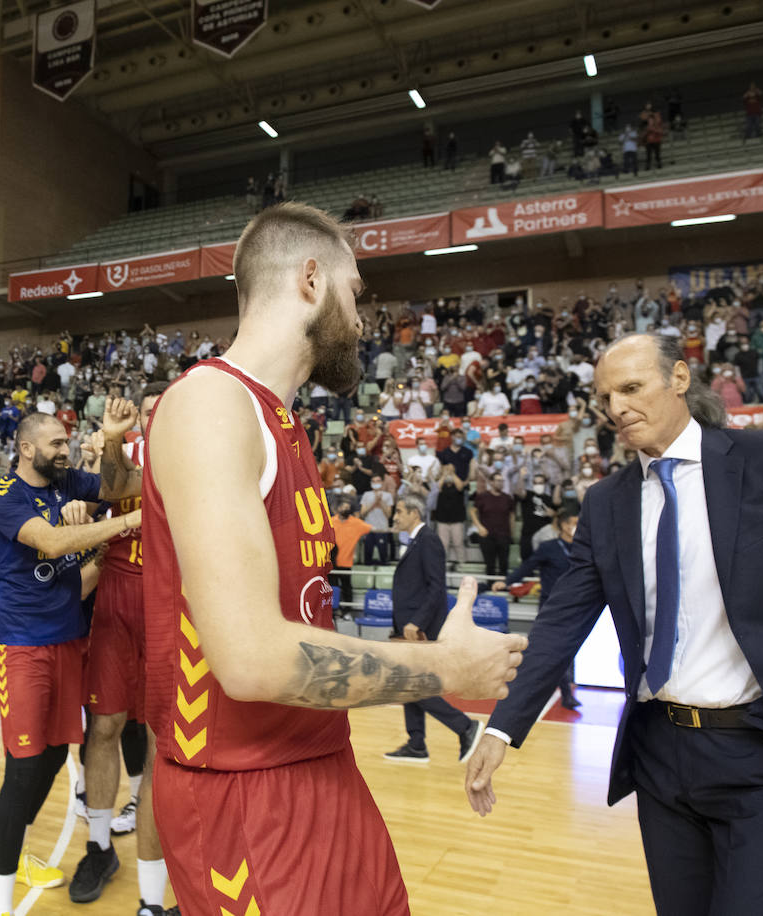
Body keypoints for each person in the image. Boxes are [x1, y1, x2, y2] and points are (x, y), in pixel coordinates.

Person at [143, 202, 526, 915]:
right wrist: (445, 669)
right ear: (312, 281)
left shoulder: (282, 423)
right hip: (242, 790)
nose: (361, 317)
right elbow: (252, 660)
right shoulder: (209, 405)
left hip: (320, 761)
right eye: (356, 292)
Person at [466, 332, 763, 916]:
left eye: (631, 388)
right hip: (662, 756)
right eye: (605, 396)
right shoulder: (605, 502)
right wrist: (500, 728)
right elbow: (562, 622)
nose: (615, 407)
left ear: (679, 379)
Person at [0, 403, 144, 916]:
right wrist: (130, 523)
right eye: (55, 443)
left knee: (54, 756)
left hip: (69, 641)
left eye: (67, 441)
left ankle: (7, 827)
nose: (65, 449)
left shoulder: (65, 481)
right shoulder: (5, 494)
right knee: (25, 766)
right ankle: (0, 902)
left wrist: (115, 439)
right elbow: (52, 543)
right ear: (27, 448)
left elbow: (119, 487)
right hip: (23, 646)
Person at [74, 383, 176, 914]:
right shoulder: (121, 451)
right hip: (117, 593)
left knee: (162, 740)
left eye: (167, 409)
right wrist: (112, 443)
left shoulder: (194, 450)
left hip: (173, 600)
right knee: (105, 725)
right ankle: (97, 848)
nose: (158, 418)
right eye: (150, 411)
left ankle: (152, 897)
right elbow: (112, 488)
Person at [384, 493, 484, 764]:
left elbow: (436, 587)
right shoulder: (417, 540)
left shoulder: (428, 540)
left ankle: (464, 726)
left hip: (419, 629)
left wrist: (417, 621)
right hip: (408, 628)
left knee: (411, 686)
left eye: (400, 511)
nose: (396, 516)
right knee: (407, 685)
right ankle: (416, 744)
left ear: (415, 514)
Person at [493, 507, 581, 709]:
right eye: (572, 523)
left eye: (577, 523)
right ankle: (564, 692)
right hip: (550, 608)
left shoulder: (581, 548)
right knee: (551, 650)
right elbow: (527, 566)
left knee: (567, 649)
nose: (575, 527)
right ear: (563, 525)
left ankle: (566, 687)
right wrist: (507, 581)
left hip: (574, 606)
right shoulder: (548, 547)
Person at [469, 472, 514, 578]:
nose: (500, 483)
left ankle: (502, 587)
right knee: (490, 564)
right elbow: (472, 511)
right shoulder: (483, 497)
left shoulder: (507, 498)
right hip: (487, 535)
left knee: (504, 564)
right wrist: (479, 527)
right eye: (498, 481)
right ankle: (490, 587)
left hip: (503, 535)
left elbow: (512, 516)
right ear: (491, 482)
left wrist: (511, 533)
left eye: (502, 481)